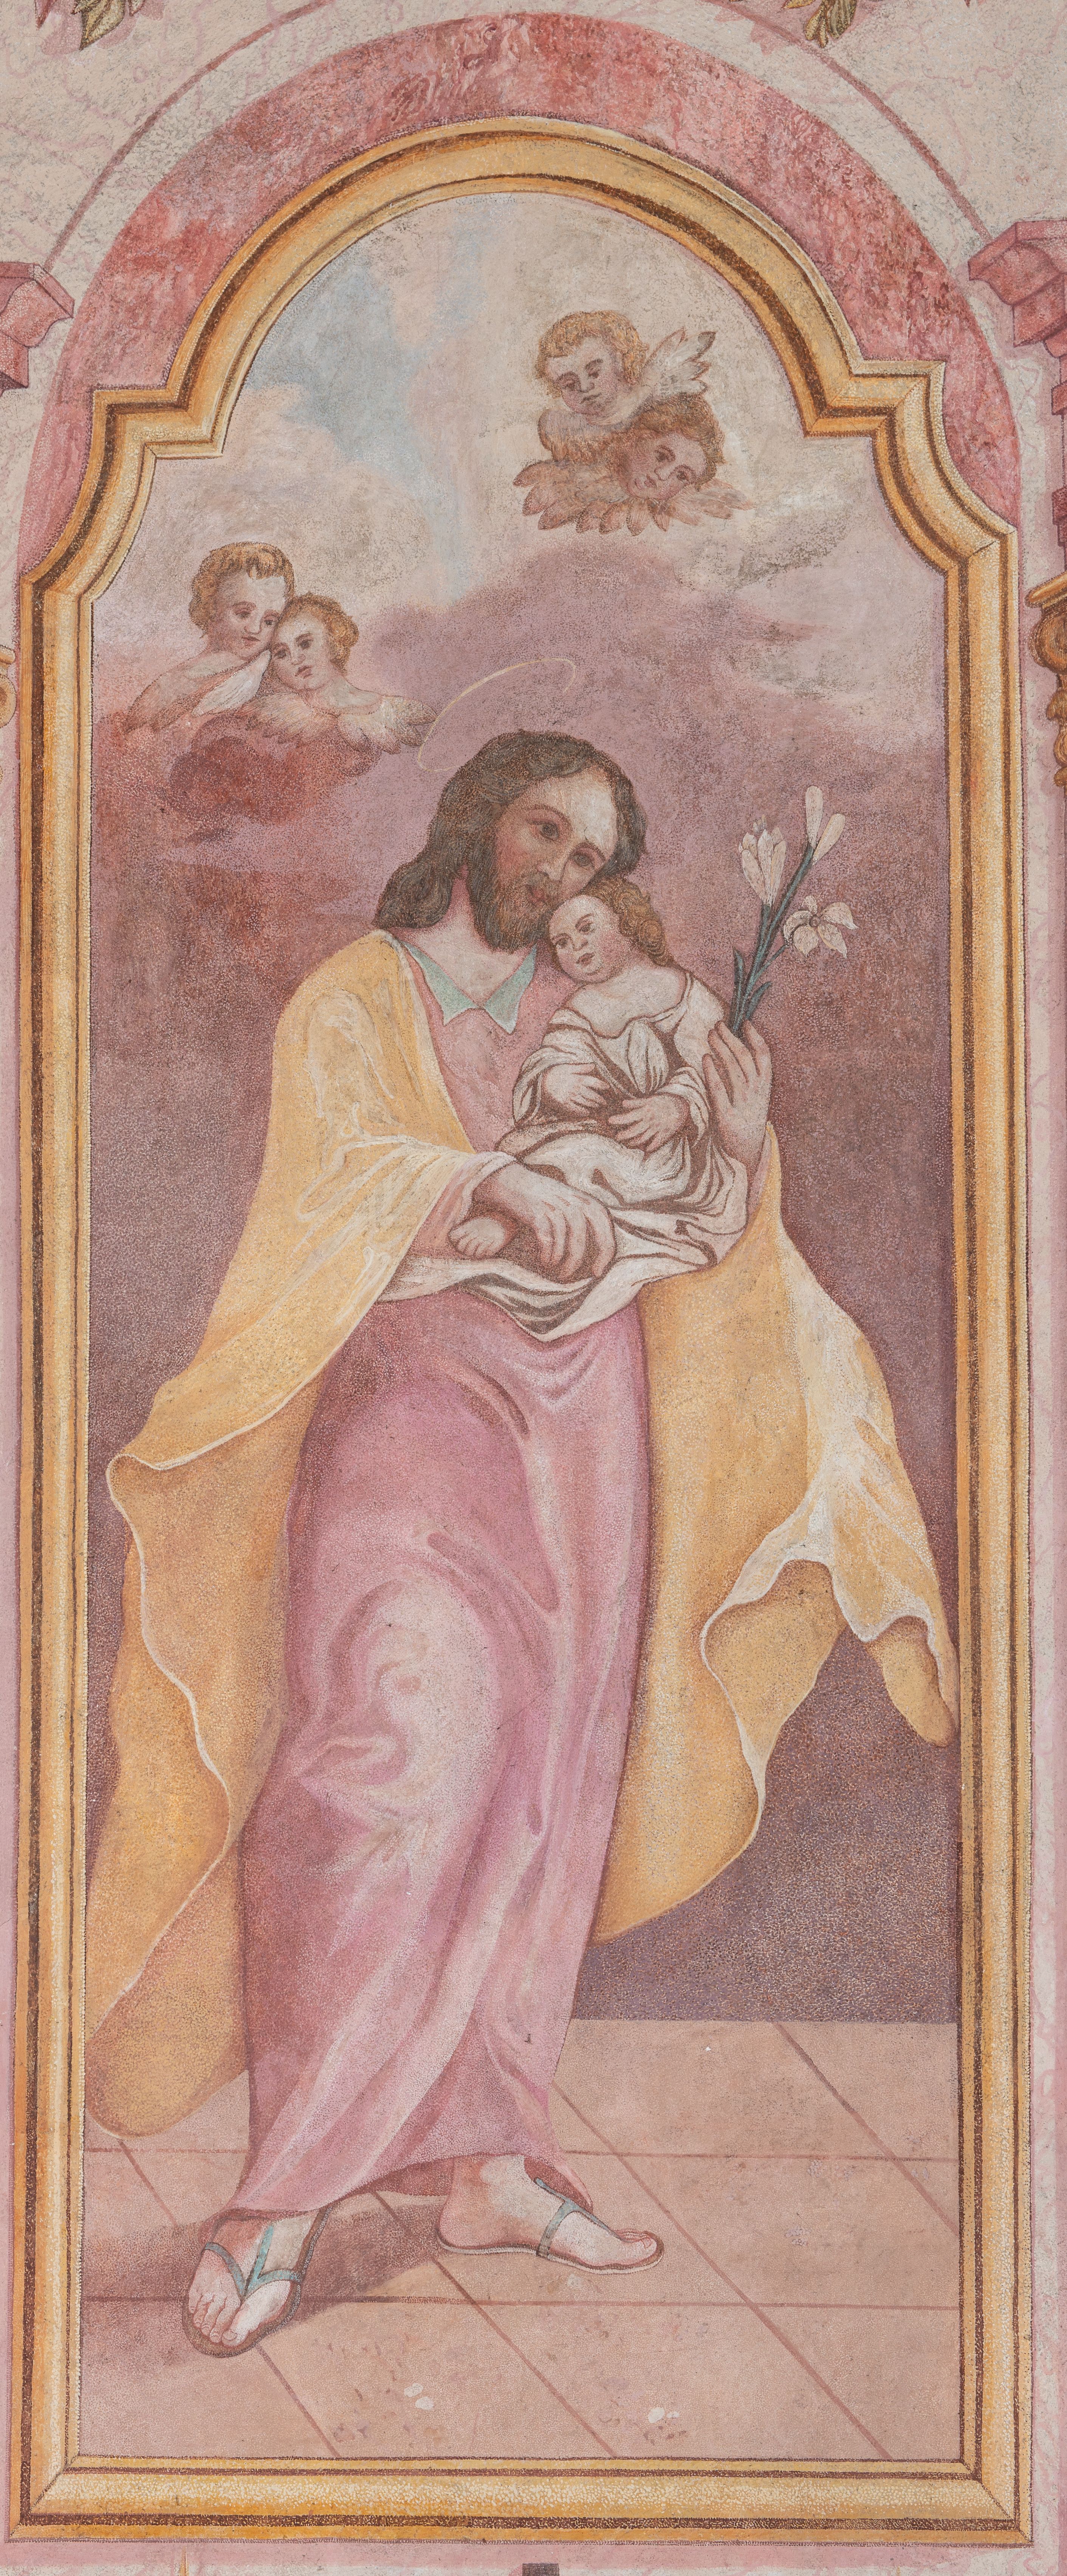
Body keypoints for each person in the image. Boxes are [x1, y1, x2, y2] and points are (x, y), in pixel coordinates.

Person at [85, 731, 959, 2365]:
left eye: (592, 853)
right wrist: (486, 1188)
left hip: (583, 1424)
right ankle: (281, 2195)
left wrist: (727, 1124)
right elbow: (325, 1195)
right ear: (479, 821)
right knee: (384, 1763)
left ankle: (486, 2160)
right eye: (545, 832)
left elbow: (696, 1193)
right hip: (412, 1404)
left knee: (546, 1781)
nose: (564, 872)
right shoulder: (358, 996)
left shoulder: (608, 991)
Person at [442, 878, 753, 1331]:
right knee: (548, 1154)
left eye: (587, 929)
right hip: (594, 1132)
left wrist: (677, 1106)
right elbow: (552, 1057)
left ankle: (529, 1228)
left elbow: (714, 1068)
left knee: (588, 1165)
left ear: (627, 923)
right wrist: (553, 1081)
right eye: (563, 942)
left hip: (667, 1155)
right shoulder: (581, 1007)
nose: (576, 948)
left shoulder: (682, 992)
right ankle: (510, 1219)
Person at [164, 593, 434, 832]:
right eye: (282, 654)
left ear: (335, 640)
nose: (295, 659)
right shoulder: (263, 715)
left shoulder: (386, 710)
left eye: (305, 643)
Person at [124, 541, 294, 732]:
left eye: (270, 622)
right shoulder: (170, 684)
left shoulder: (277, 678)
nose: (255, 629)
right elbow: (129, 734)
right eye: (243, 614)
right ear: (212, 609)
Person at [534, 309, 715, 462]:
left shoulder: (656, 411)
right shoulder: (566, 430)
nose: (584, 387)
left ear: (622, 361)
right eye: (569, 385)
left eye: (595, 373)